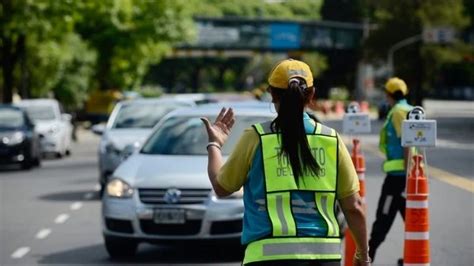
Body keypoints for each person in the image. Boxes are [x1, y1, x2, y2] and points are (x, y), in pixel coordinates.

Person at [201, 59, 370, 266]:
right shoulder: (331, 140)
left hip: (265, 259)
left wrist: (214, 144)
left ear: (272, 94)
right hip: (323, 258)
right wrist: (363, 254)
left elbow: (221, 186)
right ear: (312, 94)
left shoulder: (256, 138)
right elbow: (354, 207)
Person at [368, 77, 413, 262]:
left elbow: (407, 142)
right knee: (412, 222)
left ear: (389, 94)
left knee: (382, 221)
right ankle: (411, 259)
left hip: (398, 179)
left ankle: (366, 259)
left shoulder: (398, 112)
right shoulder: (410, 109)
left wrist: (407, 178)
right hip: (409, 178)